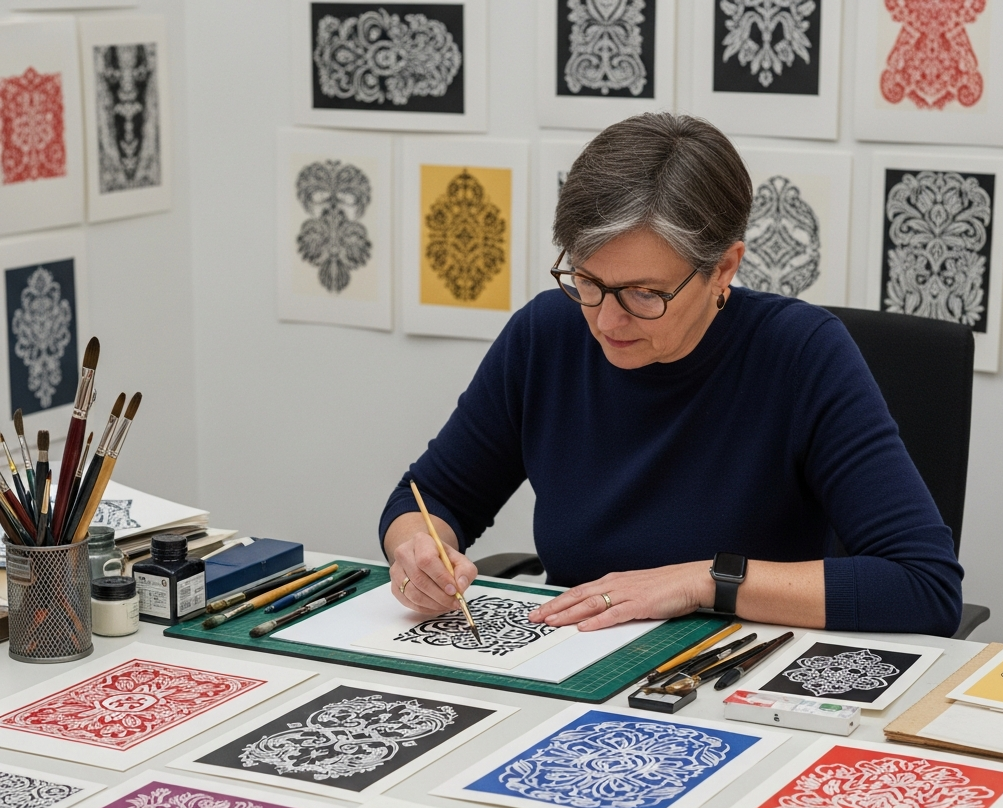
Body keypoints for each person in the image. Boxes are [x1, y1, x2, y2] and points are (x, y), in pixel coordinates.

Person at [380, 113, 963, 637]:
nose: (606, 320)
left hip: (735, 671)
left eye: (644, 293)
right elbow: (432, 497)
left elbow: (923, 584)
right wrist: (417, 548)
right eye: (587, 281)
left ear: (723, 269)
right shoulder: (547, 335)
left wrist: (703, 582)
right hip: (573, 662)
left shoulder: (801, 355)